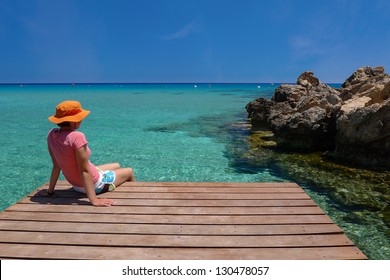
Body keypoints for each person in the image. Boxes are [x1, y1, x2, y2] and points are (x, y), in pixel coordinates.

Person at [47, 100, 135, 207]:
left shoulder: (51, 134)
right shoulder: (77, 137)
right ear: (73, 121)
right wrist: (94, 200)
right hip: (95, 185)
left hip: (75, 184)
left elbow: (56, 166)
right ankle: (134, 198)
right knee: (129, 171)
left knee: (116, 165)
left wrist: (50, 191)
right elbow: (84, 171)